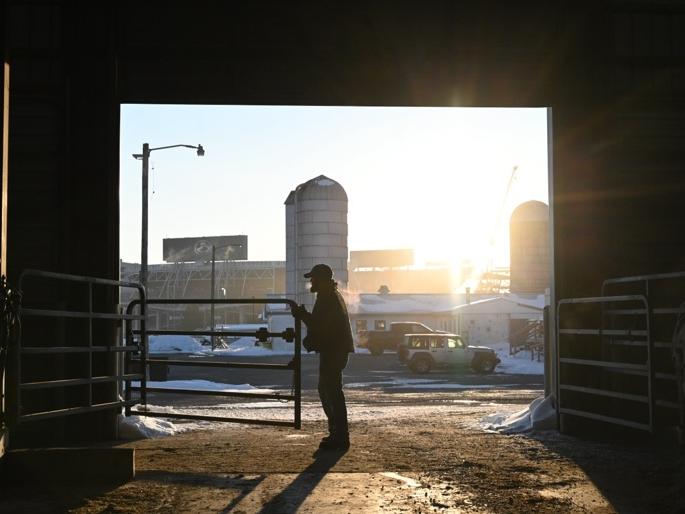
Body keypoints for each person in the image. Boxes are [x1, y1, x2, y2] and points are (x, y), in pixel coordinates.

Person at [292, 263, 354, 451]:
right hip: (335, 350)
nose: (311, 281)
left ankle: (340, 436)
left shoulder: (327, 298)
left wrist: (302, 315)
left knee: (331, 392)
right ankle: (337, 433)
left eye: (314, 278)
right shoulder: (330, 296)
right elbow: (323, 324)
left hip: (333, 350)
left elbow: (320, 325)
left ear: (321, 280)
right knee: (329, 390)